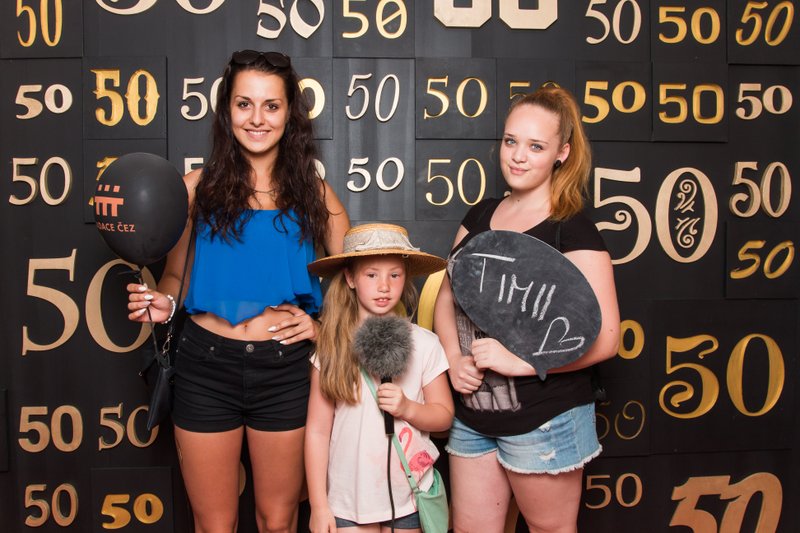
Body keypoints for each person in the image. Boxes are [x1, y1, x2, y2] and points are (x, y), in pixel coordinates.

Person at [126, 49, 350, 532]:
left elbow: (358, 281)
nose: (257, 118)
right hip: (204, 368)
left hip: (285, 371)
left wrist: (321, 328)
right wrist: (164, 304)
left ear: (290, 114)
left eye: (271, 105)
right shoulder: (194, 189)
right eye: (244, 104)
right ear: (226, 110)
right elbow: (174, 278)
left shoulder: (316, 195)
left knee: (278, 521)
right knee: (214, 524)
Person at [433, 85, 620, 533]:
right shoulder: (478, 217)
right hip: (474, 416)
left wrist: (522, 362)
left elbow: (608, 340)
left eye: (536, 146)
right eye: (510, 141)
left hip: (546, 419)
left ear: (562, 153)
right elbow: (446, 298)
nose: (518, 156)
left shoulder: (572, 230)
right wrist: (454, 358)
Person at [305, 223, 455, 533]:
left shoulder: (425, 344)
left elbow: (444, 417)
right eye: (372, 275)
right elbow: (317, 432)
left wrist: (407, 408)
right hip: (348, 499)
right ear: (350, 279)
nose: (384, 286)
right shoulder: (332, 347)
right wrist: (319, 505)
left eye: (394, 275)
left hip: (408, 496)